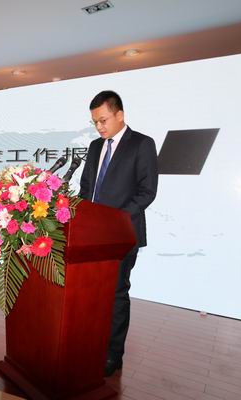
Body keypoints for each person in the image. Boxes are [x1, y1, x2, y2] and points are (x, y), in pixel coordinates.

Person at [79, 91, 158, 377]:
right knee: (92, 292)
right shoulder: (94, 147)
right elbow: (86, 188)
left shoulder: (142, 144)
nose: (99, 127)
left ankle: (113, 354)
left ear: (120, 115)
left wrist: (114, 219)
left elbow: (147, 191)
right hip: (92, 234)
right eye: (95, 122)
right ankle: (92, 343)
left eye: (103, 120)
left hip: (122, 233)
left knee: (116, 293)